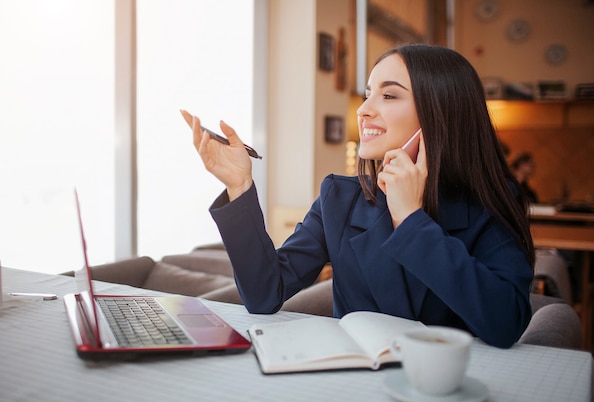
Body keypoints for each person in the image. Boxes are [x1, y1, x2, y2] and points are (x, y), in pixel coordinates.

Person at [180, 44, 534, 349]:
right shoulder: (340, 197)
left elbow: (505, 324)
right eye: (368, 94)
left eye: (389, 95)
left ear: (441, 113)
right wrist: (240, 186)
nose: (364, 110)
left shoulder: (488, 202)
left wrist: (411, 219)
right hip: (351, 389)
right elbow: (264, 294)